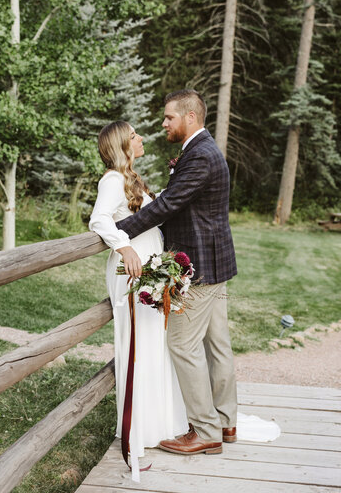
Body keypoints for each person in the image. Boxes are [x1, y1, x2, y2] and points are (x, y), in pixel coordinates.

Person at [114, 89, 238, 455]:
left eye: (169, 117)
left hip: (199, 266)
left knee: (182, 344)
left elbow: (168, 204)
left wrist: (121, 230)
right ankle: (226, 421)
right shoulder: (202, 151)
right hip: (216, 262)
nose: (163, 123)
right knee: (217, 346)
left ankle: (205, 431)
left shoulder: (200, 156)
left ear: (190, 118)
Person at [89, 121, 189, 472]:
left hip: (151, 271)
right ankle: (138, 431)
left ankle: (160, 424)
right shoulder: (112, 181)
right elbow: (99, 220)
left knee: (154, 346)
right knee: (139, 350)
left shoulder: (129, 179)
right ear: (122, 144)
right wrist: (124, 247)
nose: (141, 138)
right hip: (132, 274)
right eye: (134, 136)